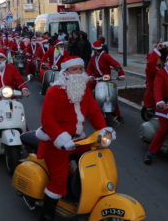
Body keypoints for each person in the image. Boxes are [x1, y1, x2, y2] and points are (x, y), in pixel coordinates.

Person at [35, 56, 114, 221]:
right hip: (56, 143)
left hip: (80, 140)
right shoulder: (54, 91)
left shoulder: (84, 90)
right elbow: (47, 120)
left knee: (94, 164)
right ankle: (46, 215)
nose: (78, 73)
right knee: (59, 179)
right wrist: (61, 139)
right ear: (65, 72)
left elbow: (94, 113)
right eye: (74, 69)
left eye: (80, 69)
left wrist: (105, 129)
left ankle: (81, 193)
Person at [87, 40, 125, 123]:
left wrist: (120, 73)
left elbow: (115, 64)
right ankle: (89, 107)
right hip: (96, 78)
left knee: (112, 95)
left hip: (106, 78)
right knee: (86, 89)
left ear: (96, 50)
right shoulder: (93, 58)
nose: (93, 51)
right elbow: (89, 68)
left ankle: (118, 115)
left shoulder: (105, 56)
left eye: (94, 50)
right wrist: (89, 76)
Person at [143, 42, 168, 112]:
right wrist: (156, 51)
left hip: (165, 99)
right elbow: (150, 63)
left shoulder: (166, 67)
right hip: (153, 100)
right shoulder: (152, 68)